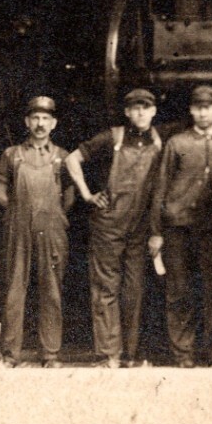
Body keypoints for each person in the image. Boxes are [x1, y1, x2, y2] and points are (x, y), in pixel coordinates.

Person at [63, 87, 163, 368]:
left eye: (146, 107)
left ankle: (129, 354)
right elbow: (72, 159)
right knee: (106, 287)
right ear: (127, 112)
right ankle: (109, 354)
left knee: (134, 289)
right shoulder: (112, 137)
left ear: (153, 111)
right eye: (135, 108)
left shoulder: (159, 139)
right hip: (108, 224)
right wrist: (86, 194)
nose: (141, 112)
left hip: (139, 225)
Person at [149, 84, 212, 368]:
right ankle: (183, 353)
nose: (204, 113)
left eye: (209, 107)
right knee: (180, 290)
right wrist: (156, 231)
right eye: (199, 107)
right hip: (178, 226)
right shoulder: (177, 143)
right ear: (191, 110)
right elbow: (160, 188)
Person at [0, 96, 76, 368]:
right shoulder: (12, 154)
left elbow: (70, 196)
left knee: (51, 289)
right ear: (27, 122)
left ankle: (50, 354)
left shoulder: (62, 157)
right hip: (19, 228)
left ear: (53, 123)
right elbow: (1, 194)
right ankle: (10, 353)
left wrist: (53, 216)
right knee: (15, 287)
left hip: (51, 229)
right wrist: (21, 212)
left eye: (45, 119)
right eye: (35, 118)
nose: (40, 124)